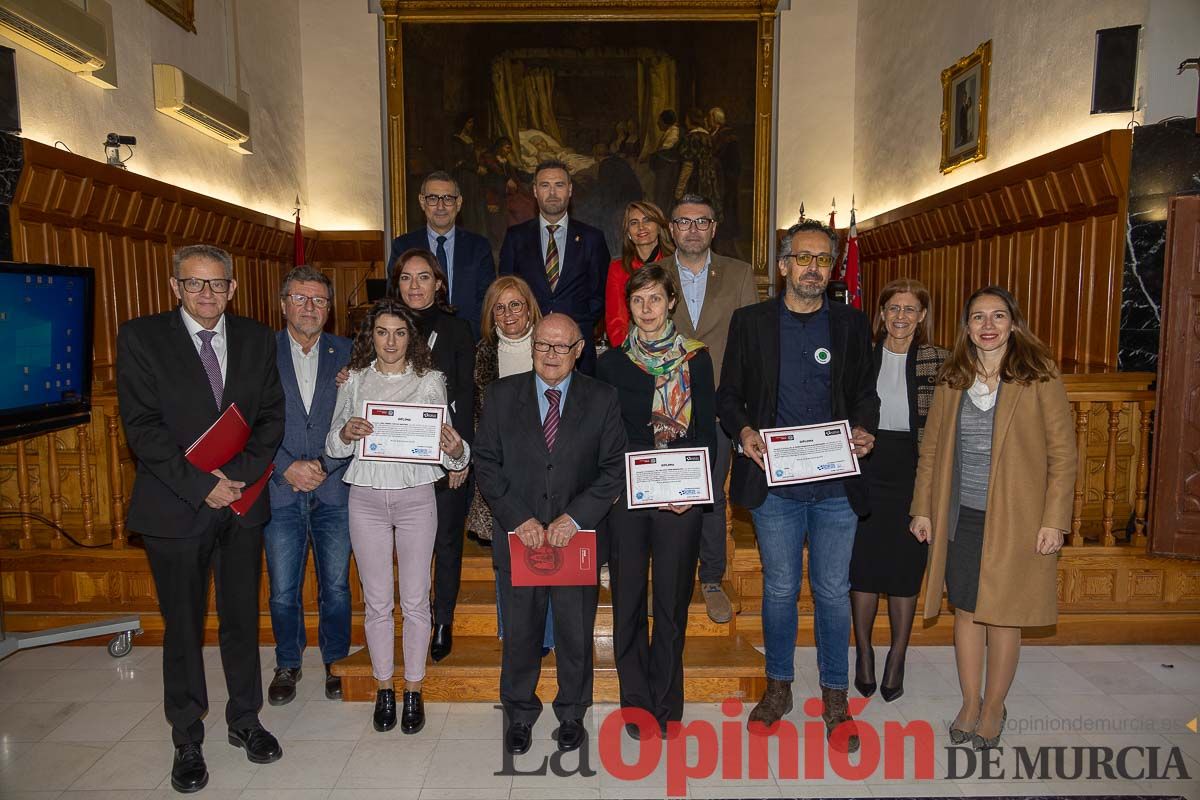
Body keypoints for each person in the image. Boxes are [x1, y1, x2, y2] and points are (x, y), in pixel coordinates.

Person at [116, 244, 285, 793]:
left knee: (241, 620)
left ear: (233, 288)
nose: (207, 294)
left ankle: (246, 721)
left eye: (217, 284)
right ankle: (187, 736)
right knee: (184, 628)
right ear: (175, 288)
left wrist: (232, 481)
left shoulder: (259, 339)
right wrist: (201, 486)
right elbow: (141, 429)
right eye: (194, 284)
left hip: (241, 503)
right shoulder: (143, 338)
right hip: (176, 507)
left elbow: (270, 418)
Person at [716, 219, 878, 752]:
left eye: (823, 260)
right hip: (775, 485)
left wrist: (863, 430)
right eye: (803, 258)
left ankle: (835, 696)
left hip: (835, 486)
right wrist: (743, 434)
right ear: (783, 264)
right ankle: (779, 687)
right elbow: (729, 396)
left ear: (832, 271)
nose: (814, 268)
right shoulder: (751, 321)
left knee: (832, 592)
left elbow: (864, 395)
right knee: (781, 589)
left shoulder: (852, 324)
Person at [910, 286, 1075, 750]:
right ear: (966, 327)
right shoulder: (953, 378)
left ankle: (994, 706)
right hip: (962, 515)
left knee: (1004, 616)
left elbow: (1064, 455)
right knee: (966, 611)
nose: (987, 326)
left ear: (1013, 324)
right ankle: (968, 701)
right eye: (978, 317)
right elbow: (933, 450)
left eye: (997, 316)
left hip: (1019, 517)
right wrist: (923, 508)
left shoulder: (1038, 376)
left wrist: (1053, 520)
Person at [474, 313, 627, 756]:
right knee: (520, 633)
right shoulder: (502, 396)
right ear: (532, 346)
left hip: (575, 540)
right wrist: (516, 517)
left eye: (562, 347)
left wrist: (575, 518)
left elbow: (612, 468)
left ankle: (572, 713)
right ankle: (519, 714)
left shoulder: (602, 398)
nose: (552, 354)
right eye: (544, 345)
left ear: (580, 350)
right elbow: (485, 461)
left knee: (575, 633)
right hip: (519, 537)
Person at [326, 300, 471, 735]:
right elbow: (333, 446)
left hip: (415, 496)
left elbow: (453, 453)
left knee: (414, 600)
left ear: (413, 338)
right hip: (366, 497)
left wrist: (455, 448)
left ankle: (414, 689)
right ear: (371, 335)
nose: (390, 341)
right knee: (376, 602)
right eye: (383, 332)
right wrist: (347, 432)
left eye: (400, 333)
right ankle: (384, 687)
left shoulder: (431, 382)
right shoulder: (353, 381)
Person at [597, 264, 715, 738]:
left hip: (681, 498)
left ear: (671, 302)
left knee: (670, 602)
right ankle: (637, 704)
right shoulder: (610, 363)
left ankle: (667, 701)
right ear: (629, 306)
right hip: (628, 496)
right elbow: (608, 437)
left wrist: (693, 493)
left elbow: (706, 430)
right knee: (628, 602)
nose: (646, 309)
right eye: (638, 300)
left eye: (655, 299)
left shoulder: (697, 359)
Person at [656, 194, 757, 624]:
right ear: (672, 229)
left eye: (702, 222)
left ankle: (711, 577)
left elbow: (752, 343)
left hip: (717, 405)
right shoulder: (654, 274)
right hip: (664, 404)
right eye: (684, 222)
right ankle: (661, 580)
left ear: (714, 228)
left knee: (712, 494)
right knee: (662, 494)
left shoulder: (737, 273)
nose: (693, 229)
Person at [848, 279, 948, 704]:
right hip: (865, 464)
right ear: (882, 313)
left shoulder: (940, 361)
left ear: (922, 316)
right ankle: (866, 652)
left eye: (910, 309)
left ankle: (898, 655)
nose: (901, 317)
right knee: (864, 565)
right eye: (893, 308)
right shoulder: (862, 356)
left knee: (906, 565)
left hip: (915, 467)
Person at [264, 266, 353, 707]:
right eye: (300, 299)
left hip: (334, 487)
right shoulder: (260, 352)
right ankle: (287, 662)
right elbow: (248, 425)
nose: (310, 308)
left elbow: (360, 422)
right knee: (283, 587)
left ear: (329, 307)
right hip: (279, 488)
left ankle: (336, 661)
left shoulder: (351, 354)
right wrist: (286, 468)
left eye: (319, 300)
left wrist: (323, 464)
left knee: (335, 585)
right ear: (283, 305)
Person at [388, 248, 476, 663]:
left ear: (439, 283)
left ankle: (443, 620)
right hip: (395, 458)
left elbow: (466, 395)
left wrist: (461, 457)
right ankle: (414, 617)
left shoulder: (457, 330)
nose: (415, 286)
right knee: (409, 545)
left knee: (446, 542)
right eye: (406, 278)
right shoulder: (385, 326)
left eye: (424, 277)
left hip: (445, 454)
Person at [464, 275, 556, 655]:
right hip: (501, 475)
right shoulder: (480, 356)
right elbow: (475, 418)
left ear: (529, 306)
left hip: (550, 470)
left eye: (515, 304)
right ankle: (514, 634)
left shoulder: (553, 344)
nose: (508, 314)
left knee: (550, 552)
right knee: (506, 559)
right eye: (499, 307)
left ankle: (548, 638)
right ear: (491, 315)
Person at [498, 159, 611, 375]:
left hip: (577, 345)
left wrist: (577, 323)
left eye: (559, 185)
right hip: (529, 345)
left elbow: (600, 293)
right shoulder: (516, 237)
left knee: (580, 408)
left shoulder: (592, 238)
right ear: (534, 191)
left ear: (569, 190)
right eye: (545, 185)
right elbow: (506, 290)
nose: (552, 192)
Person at [387, 170, 496, 339]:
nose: (440, 207)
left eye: (447, 199)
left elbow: (486, 299)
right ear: (422, 202)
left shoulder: (479, 246)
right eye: (432, 198)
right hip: (416, 341)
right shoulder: (403, 246)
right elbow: (395, 297)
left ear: (458, 203)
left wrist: (464, 336)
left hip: (469, 340)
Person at [604, 201, 675, 348]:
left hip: (672, 348)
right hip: (632, 349)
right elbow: (616, 321)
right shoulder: (618, 269)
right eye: (634, 223)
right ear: (628, 233)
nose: (641, 227)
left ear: (659, 226)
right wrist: (629, 354)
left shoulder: (674, 264)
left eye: (647, 220)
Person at [675, 108, 720, 221]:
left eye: (686, 119)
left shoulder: (691, 138)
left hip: (694, 182)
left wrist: (679, 189)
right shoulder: (708, 137)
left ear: (690, 120)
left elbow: (687, 166)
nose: (685, 122)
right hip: (709, 180)